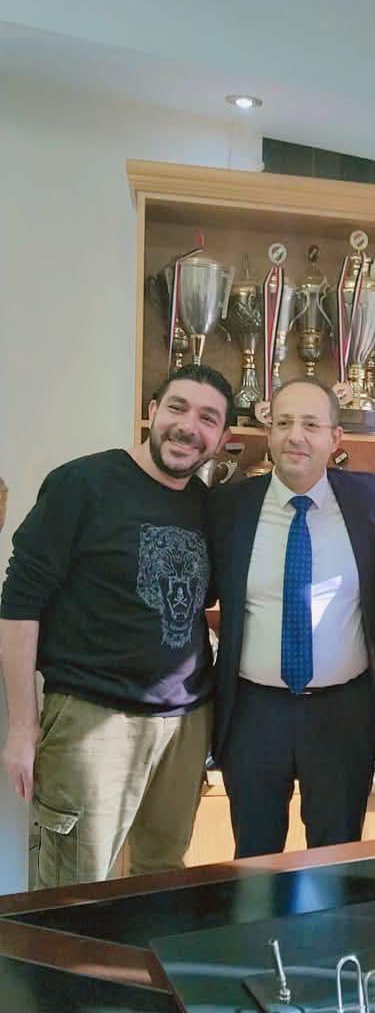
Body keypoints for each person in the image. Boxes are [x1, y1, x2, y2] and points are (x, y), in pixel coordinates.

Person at [0, 362, 234, 888]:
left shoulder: (208, 507)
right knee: (73, 889)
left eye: (207, 418)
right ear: (152, 412)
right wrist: (22, 726)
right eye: (176, 408)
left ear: (221, 439)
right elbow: (19, 601)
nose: (187, 426)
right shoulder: (82, 484)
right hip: (92, 718)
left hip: (184, 725)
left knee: (162, 880)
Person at [209, 376, 375, 858]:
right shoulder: (229, 507)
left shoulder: (371, 500)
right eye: (284, 422)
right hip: (254, 712)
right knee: (254, 857)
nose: (296, 436)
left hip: (343, 712)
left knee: (335, 857)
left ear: (336, 438)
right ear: (268, 431)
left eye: (311, 425)